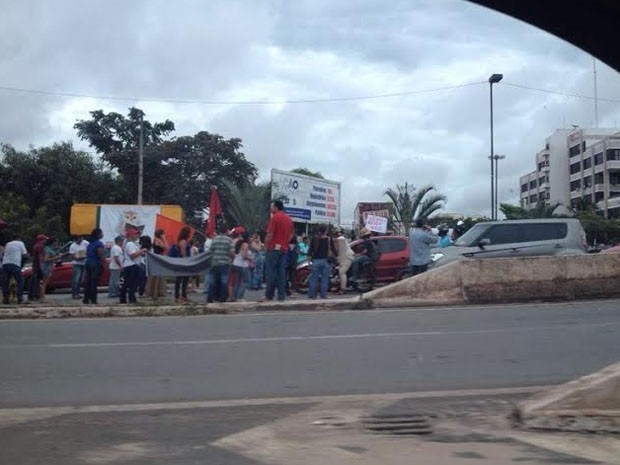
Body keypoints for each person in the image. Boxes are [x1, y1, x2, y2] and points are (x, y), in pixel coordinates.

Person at [264, 200, 294, 301]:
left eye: (272, 207)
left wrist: (265, 244)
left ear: (276, 207)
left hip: (273, 248)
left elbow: (270, 234)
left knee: (271, 272)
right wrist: (284, 242)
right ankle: (281, 295)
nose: (271, 209)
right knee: (282, 273)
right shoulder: (289, 219)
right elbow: (291, 234)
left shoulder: (275, 218)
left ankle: (269, 295)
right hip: (284, 249)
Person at [207, 223, 235, 303]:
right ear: (226, 231)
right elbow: (231, 253)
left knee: (212, 282)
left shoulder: (215, 239)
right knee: (224, 282)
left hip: (214, 263)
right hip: (225, 263)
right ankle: (222, 298)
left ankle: (210, 298)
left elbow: (210, 251)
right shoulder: (229, 240)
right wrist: (232, 259)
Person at [307, 224, 334, 299]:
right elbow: (333, 249)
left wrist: (309, 262)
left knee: (314, 278)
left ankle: (312, 295)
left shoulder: (314, 239)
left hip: (315, 261)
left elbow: (310, 251)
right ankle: (324, 295)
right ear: (326, 231)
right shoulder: (328, 239)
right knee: (324, 279)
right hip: (325, 261)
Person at [119, 227, 145, 304]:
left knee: (127, 283)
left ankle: (123, 299)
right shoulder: (130, 244)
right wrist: (141, 251)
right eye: (135, 234)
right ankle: (131, 299)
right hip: (132, 266)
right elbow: (132, 255)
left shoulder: (131, 244)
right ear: (131, 235)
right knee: (132, 284)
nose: (137, 235)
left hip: (130, 266)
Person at [1, 234, 28, 305]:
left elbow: (3, 254)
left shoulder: (8, 244)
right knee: (20, 280)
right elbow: (24, 255)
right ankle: (20, 297)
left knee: (5, 282)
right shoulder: (20, 243)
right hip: (15, 263)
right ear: (19, 238)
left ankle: (5, 299)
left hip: (5, 264)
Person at [83, 228, 106, 305]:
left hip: (88, 262)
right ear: (99, 234)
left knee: (88, 282)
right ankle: (93, 299)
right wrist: (104, 262)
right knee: (94, 282)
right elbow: (100, 254)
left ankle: (86, 298)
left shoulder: (90, 244)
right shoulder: (99, 243)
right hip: (95, 263)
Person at [145, 229, 168, 299]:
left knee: (159, 276)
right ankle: (154, 293)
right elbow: (166, 247)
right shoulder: (157, 240)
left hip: (159, 258)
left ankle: (158, 292)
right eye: (163, 234)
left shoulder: (157, 240)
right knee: (156, 277)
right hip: (157, 259)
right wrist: (164, 239)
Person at [39, 237, 63, 303]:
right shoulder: (48, 249)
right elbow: (46, 259)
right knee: (44, 283)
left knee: (44, 283)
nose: (56, 244)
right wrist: (57, 257)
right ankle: (42, 298)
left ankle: (42, 297)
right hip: (46, 267)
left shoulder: (48, 248)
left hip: (48, 266)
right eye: (55, 242)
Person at [333, 227, 354, 293]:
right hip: (346, 257)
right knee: (338, 271)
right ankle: (339, 286)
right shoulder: (340, 238)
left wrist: (340, 261)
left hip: (347, 257)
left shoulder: (341, 239)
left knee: (341, 272)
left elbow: (341, 251)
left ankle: (343, 289)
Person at [174, 226, 192, 304]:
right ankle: (179, 296)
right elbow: (183, 252)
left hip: (180, 261)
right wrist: (186, 261)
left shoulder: (181, 240)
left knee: (183, 279)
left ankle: (182, 296)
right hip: (183, 262)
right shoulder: (183, 241)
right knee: (182, 280)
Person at [231, 231, 251, 301]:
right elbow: (244, 255)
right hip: (243, 265)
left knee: (238, 281)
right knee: (246, 281)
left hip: (236, 263)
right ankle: (240, 297)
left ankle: (234, 296)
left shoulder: (238, 243)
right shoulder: (245, 244)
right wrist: (251, 259)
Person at [28, 234, 47, 301]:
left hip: (35, 265)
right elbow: (40, 256)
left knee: (33, 280)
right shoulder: (40, 246)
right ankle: (35, 295)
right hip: (38, 266)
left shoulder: (35, 246)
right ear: (41, 240)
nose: (45, 241)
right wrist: (41, 264)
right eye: (44, 239)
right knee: (37, 281)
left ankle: (31, 295)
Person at [69, 235, 89, 299]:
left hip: (84, 263)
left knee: (81, 279)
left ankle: (78, 292)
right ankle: (74, 293)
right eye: (79, 238)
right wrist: (77, 257)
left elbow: (89, 250)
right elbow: (72, 256)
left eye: (81, 238)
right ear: (76, 239)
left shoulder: (85, 243)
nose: (81, 239)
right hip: (77, 263)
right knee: (76, 279)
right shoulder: (73, 246)